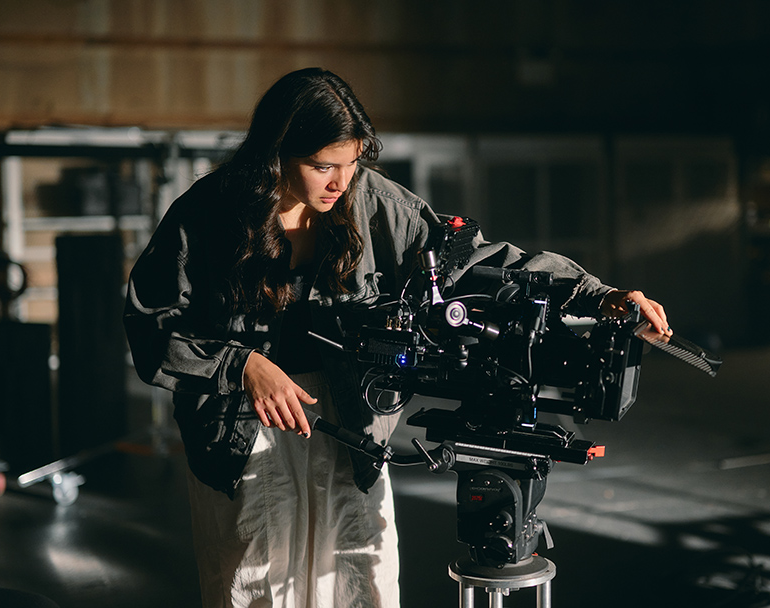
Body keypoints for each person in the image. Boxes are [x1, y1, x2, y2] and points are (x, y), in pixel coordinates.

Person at [123, 67, 670, 608]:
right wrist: (240, 367)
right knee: (257, 583)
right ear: (276, 155)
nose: (341, 182)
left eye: (353, 163)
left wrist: (599, 295)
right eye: (322, 167)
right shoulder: (207, 214)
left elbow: (480, 261)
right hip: (243, 426)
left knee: (361, 575)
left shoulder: (374, 204)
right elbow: (151, 326)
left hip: (349, 420)